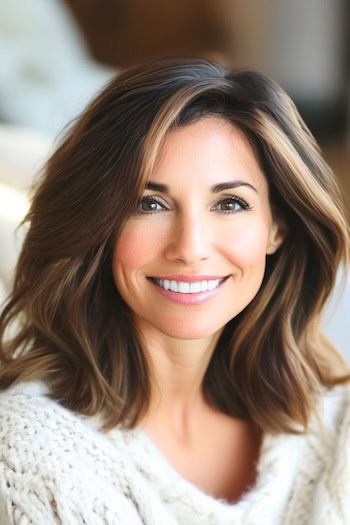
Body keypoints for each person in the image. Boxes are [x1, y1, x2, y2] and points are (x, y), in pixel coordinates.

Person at [0, 57, 349, 525]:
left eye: (229, 203)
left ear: (276, 228)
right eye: (150, 203)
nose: (190, 248)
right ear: (98, 225)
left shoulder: (334, 421)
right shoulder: (33, 451)